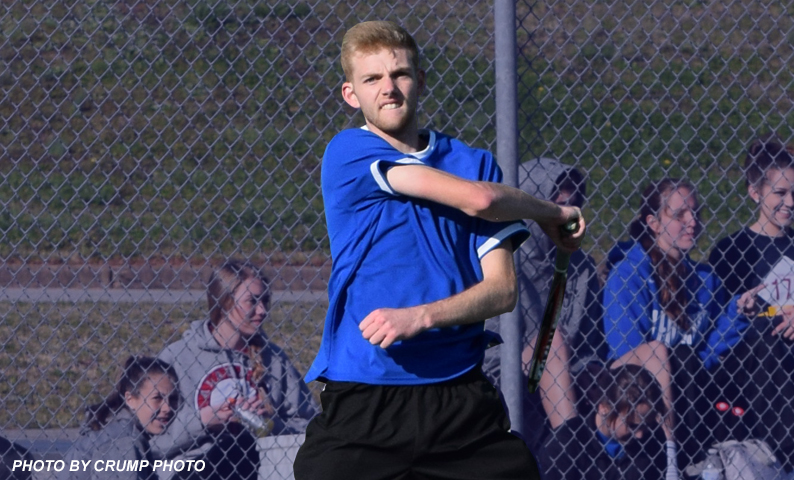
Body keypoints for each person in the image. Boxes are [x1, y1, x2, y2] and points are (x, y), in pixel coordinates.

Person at [293, 21, 585, 480]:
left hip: (459, 400)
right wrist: (552, 212)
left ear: (420, 80)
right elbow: (480, 200)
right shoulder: (349, 152)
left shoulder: (474, 163)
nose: (388, 89)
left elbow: (502, 291)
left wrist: (422, 316)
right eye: (372, 79)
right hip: (369, 394)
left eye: (400, 74)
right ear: (351, 94)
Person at [706, 136, 794, 479]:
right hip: (751, 391)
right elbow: (713, 324)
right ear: (755, 193)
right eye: (780, 193)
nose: (791, 202)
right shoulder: (732, 249)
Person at [601, 178, 725, 476]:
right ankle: (670, 457)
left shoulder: (706, 280)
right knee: (676, 355)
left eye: (695, 213)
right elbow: (627, 356)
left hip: (692, 392)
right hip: (639, 399)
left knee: (688, 357)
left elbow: (713, 348)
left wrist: (739, 313)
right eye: (679, 214)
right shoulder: (628, 276)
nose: (692, 222)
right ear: (654, 223)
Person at [152, 261, 318, 480]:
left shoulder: (274, 359)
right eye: (252, 301)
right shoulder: (178, 357)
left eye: (265, 301)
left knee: (243, 446)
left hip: (260, 468)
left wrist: (270, 423)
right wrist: (202, 421)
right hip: (193, 469)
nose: (262, 310)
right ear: (224, 302)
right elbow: (152, 441)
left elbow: (311, 425)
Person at [483, 157, 604, 453]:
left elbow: (590, 345)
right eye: (557, 207)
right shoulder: (499, 259)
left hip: (568, 367)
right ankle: (574, 453)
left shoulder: (582, 268)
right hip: (502, 368)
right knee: (552, 343)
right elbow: (489, 347)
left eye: (573, 206)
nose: (567, 216)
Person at [60, 356, 179, 480]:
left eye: (173, 398)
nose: (168, 408)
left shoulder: (121, 428)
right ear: (130, 399)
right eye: (157, 398)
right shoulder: (122, 441)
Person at [542, 363, 667, 480]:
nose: (640, 435)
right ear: (604, 407)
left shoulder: (653, 438)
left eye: (646, 425)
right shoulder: (563, 446)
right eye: (632, 425)